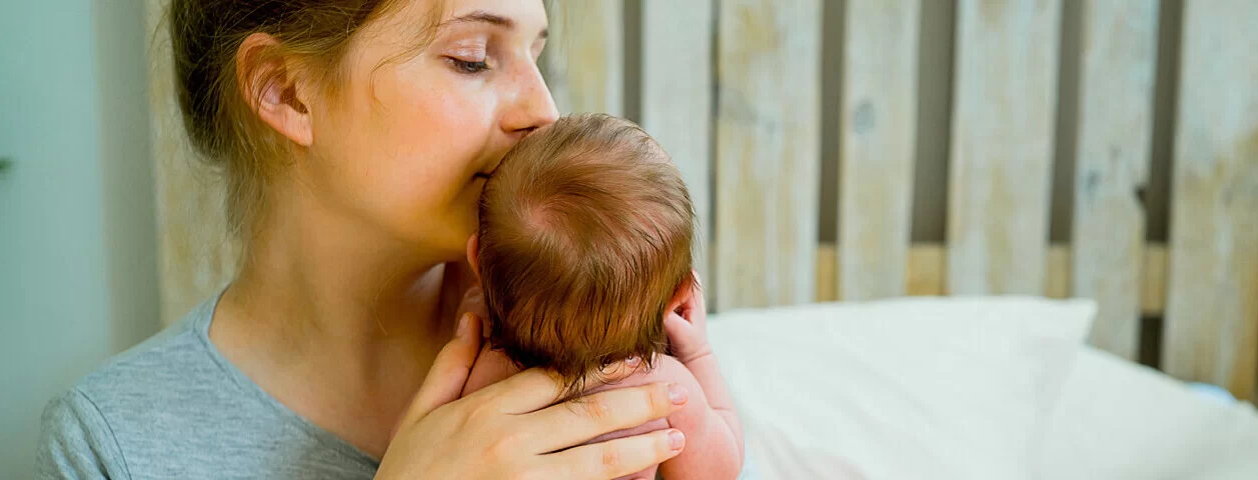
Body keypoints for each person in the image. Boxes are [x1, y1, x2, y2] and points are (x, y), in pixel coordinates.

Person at [37, 0, 693, 478]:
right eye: (472, 59)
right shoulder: (109, 446)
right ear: (287, 91)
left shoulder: (596, 308)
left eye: (536, 54)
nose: (544, 112)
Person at [462, 113, 744, 480]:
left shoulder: (487, 380)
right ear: (681, 296)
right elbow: (721, 468)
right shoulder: (665, 388)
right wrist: (698, 354)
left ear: (476, 263)